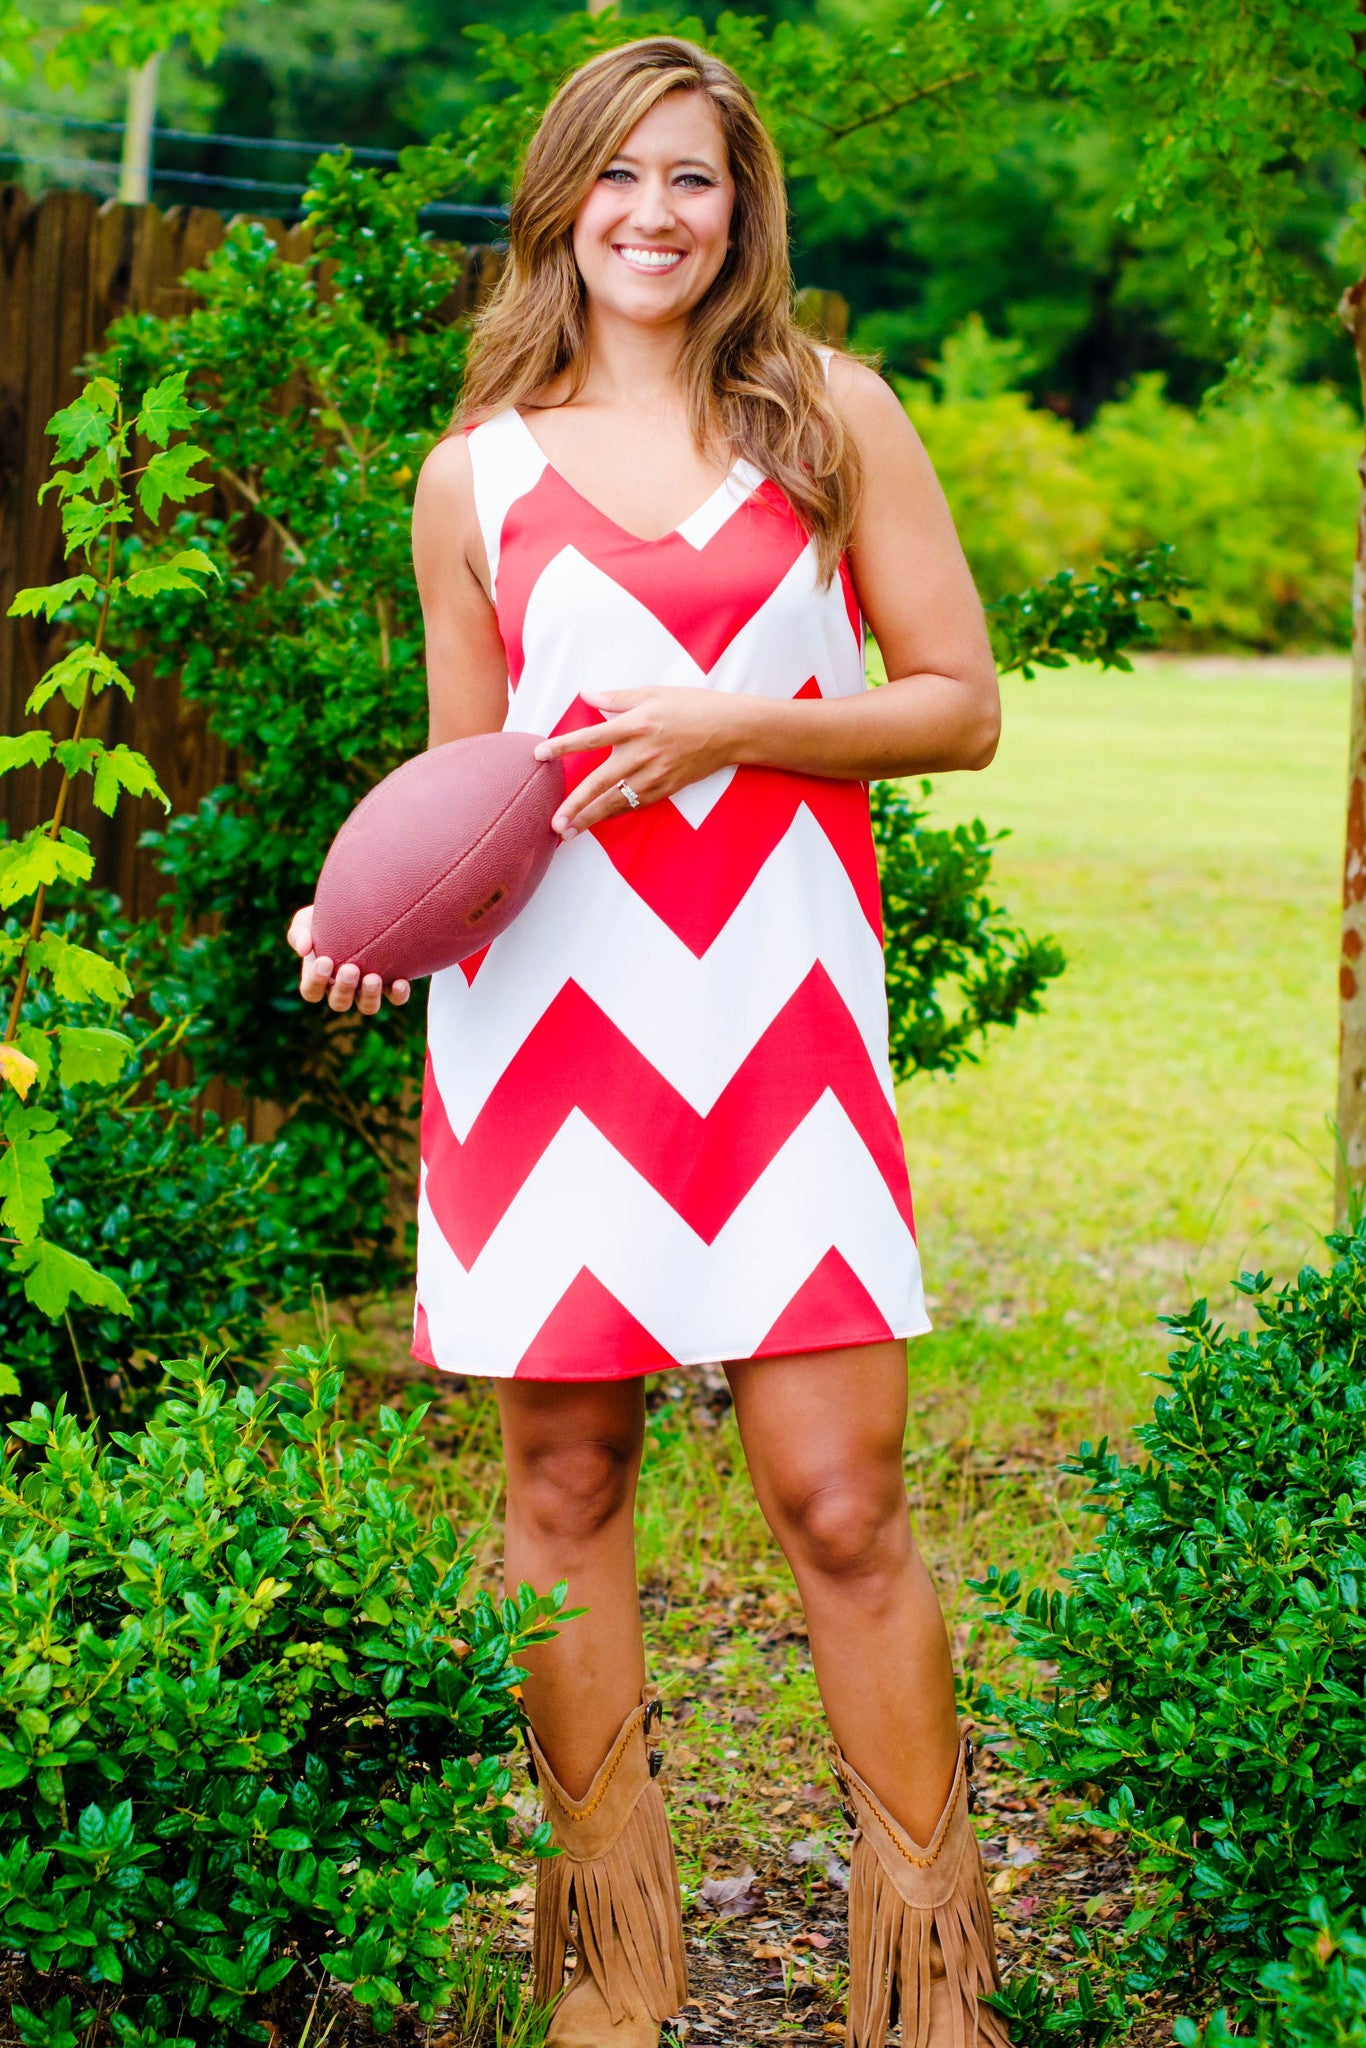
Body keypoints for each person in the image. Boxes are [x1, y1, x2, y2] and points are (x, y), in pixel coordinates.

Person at [288, 36, 1008, 2048]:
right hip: (546, 1040)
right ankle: (609, 1977)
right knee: (561, 1481)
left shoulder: (829, 419)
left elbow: (954, 702)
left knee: (840, 1497)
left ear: (737, 209)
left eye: (691, 180)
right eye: (618, 178)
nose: (653, 217)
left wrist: (727, 725)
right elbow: (465, 794)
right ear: (562, 201)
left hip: (773, 1023)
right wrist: (360, 925)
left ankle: (928, 1990)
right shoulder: (474, 477)